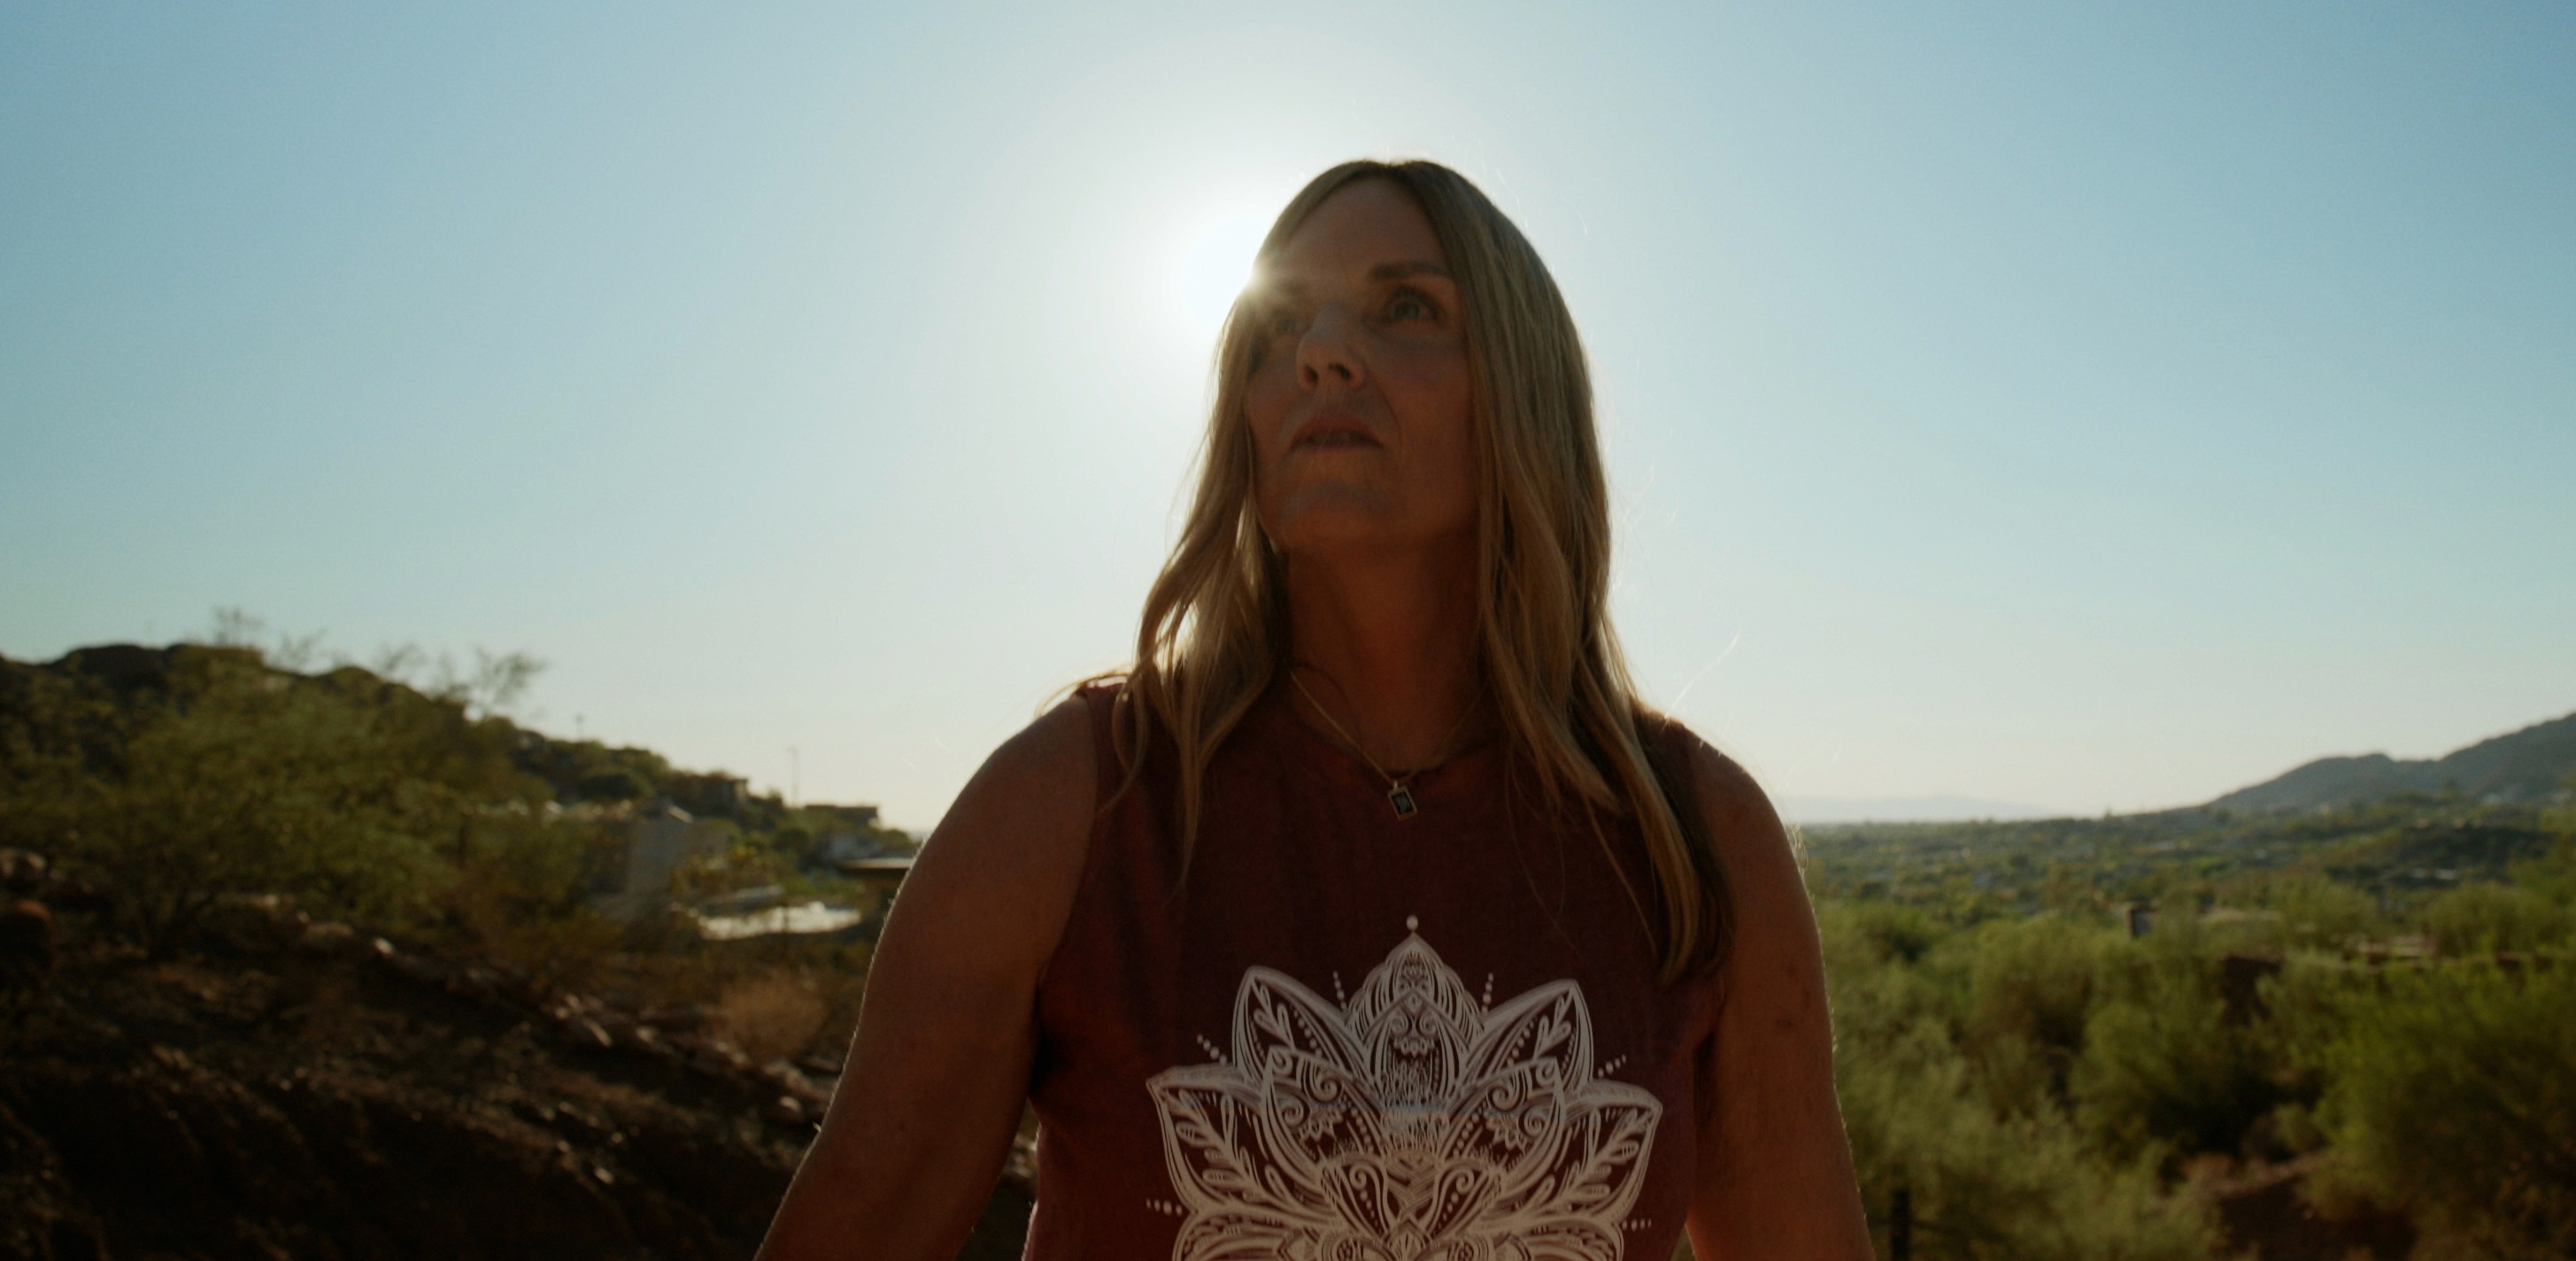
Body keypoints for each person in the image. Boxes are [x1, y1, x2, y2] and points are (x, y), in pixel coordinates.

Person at [758, 160, 1870, 1260]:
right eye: (1279, 325)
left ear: (1524, 392)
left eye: (1407, 307)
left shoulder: (1697, 839)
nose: (1319, 353)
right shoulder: (1069, 809)